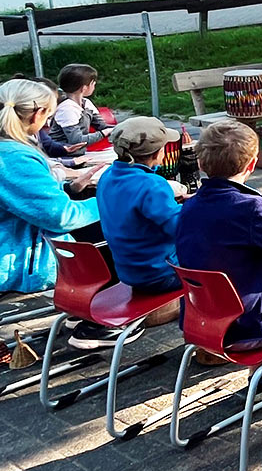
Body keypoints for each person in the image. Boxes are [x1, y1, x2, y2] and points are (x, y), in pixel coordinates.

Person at [177, 120, 262, 352]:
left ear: (201, 164)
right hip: (251, 328)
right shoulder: (251, 209)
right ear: (252, 163)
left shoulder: (189, 206)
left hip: (202, 323)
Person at [0, 78, 100, 293]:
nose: (47, 123)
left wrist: (68, 189)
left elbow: (15, 200)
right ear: (38, 114)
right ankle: (99, 323)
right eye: (48, 116)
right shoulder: (15, 158)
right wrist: (109, 202)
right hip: (17, 269)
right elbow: (61, 217)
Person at [97, 117, 184, 298]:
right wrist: (195, 208)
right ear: (157, 153)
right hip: (160, 276)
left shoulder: (107, 177)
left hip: (128, 272)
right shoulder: (152, 184)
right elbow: (180, 229)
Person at [49, 64, 111, 156]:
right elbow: (77, 141)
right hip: (64, 156)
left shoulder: (86, 103)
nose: (95, 86)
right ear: (84, 88)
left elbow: (102, 126)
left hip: (80, 154)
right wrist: (104, 133)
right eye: (93, 83)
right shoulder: (67, 109)